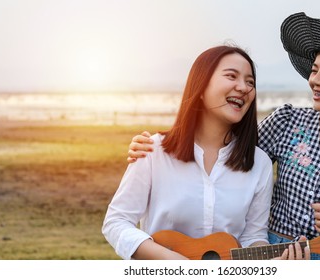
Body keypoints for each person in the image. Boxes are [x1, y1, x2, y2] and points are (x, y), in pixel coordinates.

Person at [126, 13, 320, 260]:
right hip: (267, 253)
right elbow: (225, 148)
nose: (315, 80)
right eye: (314, 71)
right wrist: (165, 142)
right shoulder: (288, 122)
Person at [102, 45, 309, 260]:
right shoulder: (153, 150)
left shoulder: (259, 163)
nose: (244, 87)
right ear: (201, 85)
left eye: (250, 82)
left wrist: (270, 263)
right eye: (231, 76)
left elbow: (252, 236)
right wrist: (171, 261)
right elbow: (116, 222)